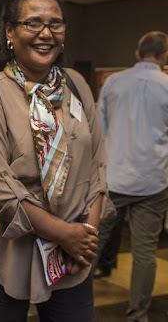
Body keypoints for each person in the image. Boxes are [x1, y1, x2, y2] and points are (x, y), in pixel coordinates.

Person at [0, 0, 110, 322]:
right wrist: (63, 234)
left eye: (55, 24)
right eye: (33, 23)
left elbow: (98, 163)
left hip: (73, 253)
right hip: (8, 251)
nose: (46, 33)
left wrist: (84, 237)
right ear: (10, 32)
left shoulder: (76, 84)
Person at [96, 31, 168, 322]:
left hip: (113, 177)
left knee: (93, 242)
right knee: (145, 253)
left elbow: (99, 131)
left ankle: (71, 304)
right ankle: (138, 314)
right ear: (165, 56)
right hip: (153, 181)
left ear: (137, 54)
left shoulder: (113, 82)